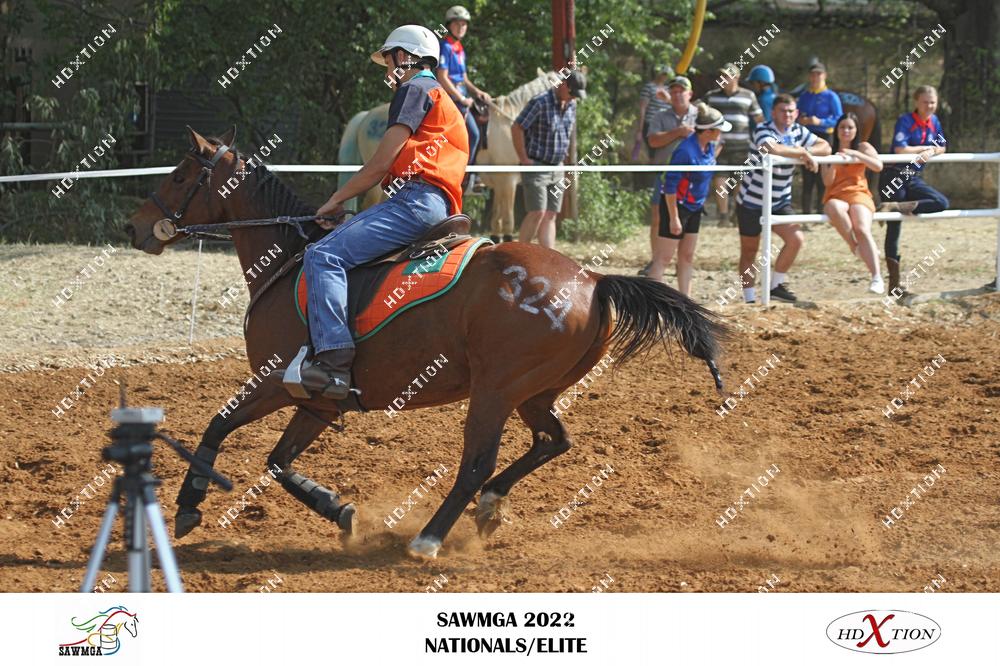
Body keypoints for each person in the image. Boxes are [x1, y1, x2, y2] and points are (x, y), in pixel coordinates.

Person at [288, 25, 469, 398]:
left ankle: (333, 363)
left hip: (415, 202)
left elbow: (379, 165)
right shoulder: (443, 99)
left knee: (322, 255)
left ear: (404, 57)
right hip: (441, 205)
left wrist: (336, 200)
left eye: (388, 61)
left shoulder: (414, 89)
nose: (388, 71)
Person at [736, 93, 831, 303]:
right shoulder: (763, 129)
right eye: (782, 111)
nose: (787, 115)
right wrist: (802, 154)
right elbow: (771, 147)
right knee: (750, 251)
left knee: (796, 239)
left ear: (796, 113)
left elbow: (826, 146)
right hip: (752, 201)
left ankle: (776, 286)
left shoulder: (799, 131)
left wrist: (805, 151)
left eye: (791, 111)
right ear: (773, 113)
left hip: (779, 200)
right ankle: (749, 299)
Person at [647, 103, 731, 296]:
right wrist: (674, 218)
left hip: (695, 207)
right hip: (676, 206)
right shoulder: (685, 151)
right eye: (718, 129)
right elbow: (669, 185)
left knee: (687, 256)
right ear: (708, 131)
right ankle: (650, 302)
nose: (721, 134)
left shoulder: (709, 147)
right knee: (663, 258)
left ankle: (686, 301)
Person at [878, 85, 949, 296]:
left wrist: (932, 150)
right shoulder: (906, 120)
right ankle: (894, 285)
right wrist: (925, 149)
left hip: (912, 176)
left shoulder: (934, 121)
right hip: (895, 175)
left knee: (941, 202)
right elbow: (900, 149)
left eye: (933, 102)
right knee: (894, 229)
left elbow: (942, 146)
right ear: (916, 102)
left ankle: (896, 206)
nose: (930, 106)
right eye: (926, 102)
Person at [512, 70, 586, 248]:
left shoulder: (571, 105)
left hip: (557, 167)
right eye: (572, 93)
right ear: (563, 85)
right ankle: (520, 253)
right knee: (537, 211)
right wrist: (524, 158)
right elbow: (517, 127)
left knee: (551, 214)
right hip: (536, 165)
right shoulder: (540, 101)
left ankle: (549, 256)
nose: (573, 98)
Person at [821, 112, 885, 293]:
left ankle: (877, 277)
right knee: (833, 207)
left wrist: (855, 154)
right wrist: (835, 161)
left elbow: (878, 166)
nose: (846, 131)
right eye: (842, 127)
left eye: (850, 127)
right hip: (836, 194)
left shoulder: (863, 146)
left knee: (862, 228)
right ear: (837, 130)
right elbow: (827, 182)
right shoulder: (828, 150)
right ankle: (855, 247)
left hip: (858, 193)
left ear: (857, 130)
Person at [641, 75, 698, 276]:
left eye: (681, 91)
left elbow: (715, 141)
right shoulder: (660, 116)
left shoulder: (701, 115)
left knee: (688, 220)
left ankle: (683, 263)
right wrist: (678, 132)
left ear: (690, 94)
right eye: (673, 91)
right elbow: (653, 141)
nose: (677, 94)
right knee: (658, 217)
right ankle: (656, 261)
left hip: (691, 178)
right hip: (664, 174)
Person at [436, 5, 491, 194]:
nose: (461, 28)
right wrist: (461, 98)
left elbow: (464, 79)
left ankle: (473, 176)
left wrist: (478, 92)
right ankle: (464, 176)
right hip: (450, 98)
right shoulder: (445, 47)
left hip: (462, 97)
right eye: (457, 24)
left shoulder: (459, 48)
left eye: (464, 24)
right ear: (449, 25)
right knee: (473, 134)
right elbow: (443, 77)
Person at [704, 63, 764, 224]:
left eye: (726, 76)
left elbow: (759, 119)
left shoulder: (748, 95)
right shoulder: (711, 96)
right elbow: (701, 113)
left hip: (742, 146)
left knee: (740, 181)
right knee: (720, 180)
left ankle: (737, 215)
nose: (723, 79)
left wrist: (762, 138)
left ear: (736, 77)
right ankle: (723, 216)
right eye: (721, 76)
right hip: (719, 146)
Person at [797, 61, 843, 213]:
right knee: (807, 177)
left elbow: (839, 118)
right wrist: (802, 120)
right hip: (807, 137)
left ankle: (822, 212)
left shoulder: (831, 96)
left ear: (825, 76)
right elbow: (797, 114)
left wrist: (820, 122)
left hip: (825, 137)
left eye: (819, 74)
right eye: (813, 74)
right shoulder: (804, 96)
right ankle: (806, 213)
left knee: (822, 177)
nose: (815, 77)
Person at [635, 64, 674, 159]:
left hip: (666, 126)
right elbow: (642, 108)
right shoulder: (649, 87)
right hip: (651, 124)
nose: (665, 76)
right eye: (663, 74)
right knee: (654, 153)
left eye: (666, 74)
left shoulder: (668, 89)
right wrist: (640, 130)